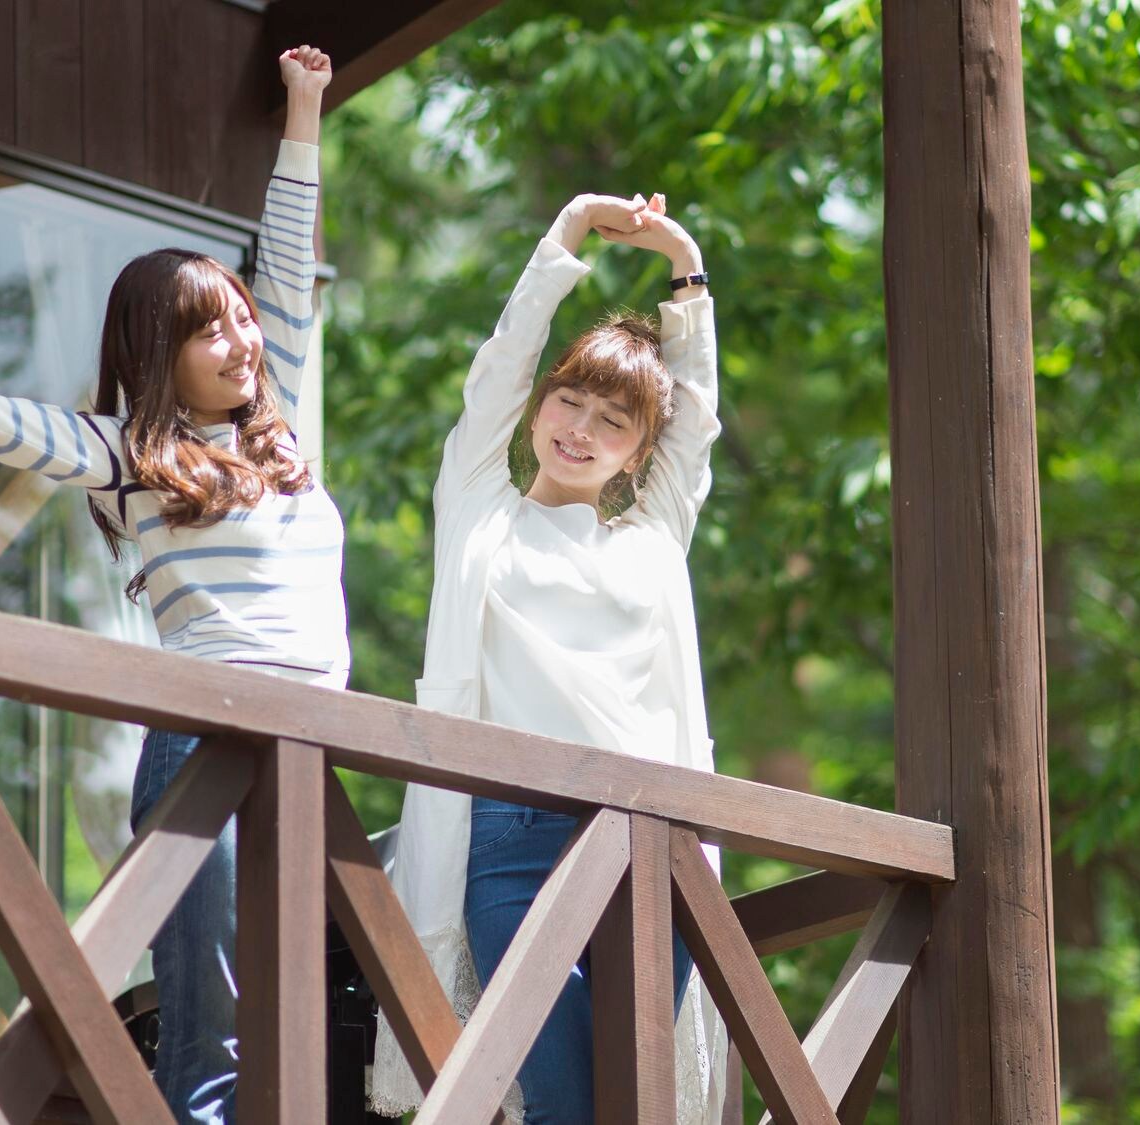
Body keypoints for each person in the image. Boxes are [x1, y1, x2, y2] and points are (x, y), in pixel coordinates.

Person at [0, 45, 342, 1124]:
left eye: (237, 318)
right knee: (218, 1039)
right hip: (209, 749)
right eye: (207, 331)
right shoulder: (131, 452)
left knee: (313, 1028)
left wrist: (303, 111)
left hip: (312, 750)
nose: (240, 339)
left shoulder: (277, 423)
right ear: (159, 354)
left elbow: (284, 263)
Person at [372, 191, 728, 1123]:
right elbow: (497, 369)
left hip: (658, 842)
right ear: (539, 407)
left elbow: (697, 424)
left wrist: (684, 263)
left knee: (634, 1096)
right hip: (511, 840)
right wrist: (567, 235)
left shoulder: (653, 537)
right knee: (564, 1102)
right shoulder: (482, 511)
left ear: (638, 453)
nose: (581, 429)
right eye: (569, 401)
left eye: (613, 422)